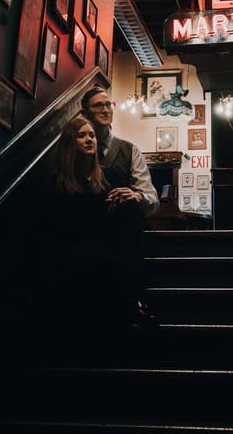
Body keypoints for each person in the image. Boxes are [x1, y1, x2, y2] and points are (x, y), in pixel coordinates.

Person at [23, 113, 155, 331]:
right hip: (74, 253)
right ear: (69, 143)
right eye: (81, 136)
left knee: (128, 206)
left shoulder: (110, 177)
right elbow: (56, 228)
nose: (89, 139)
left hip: (108, 249)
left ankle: (133, 299)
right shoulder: (56, 184)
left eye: (92, 135)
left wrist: (133, 197)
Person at [80, 85, 160, 217]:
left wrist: (138, 196)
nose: (105, 110)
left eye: (108, 105)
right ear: (84, 114)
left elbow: (152, 199)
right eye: (98, 105)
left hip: (122, 228)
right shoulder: (77, 148)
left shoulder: (130, 150)